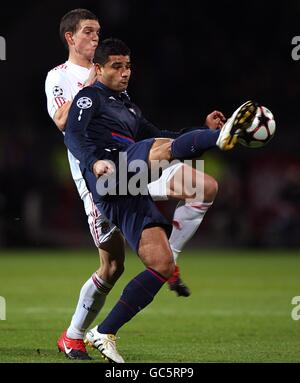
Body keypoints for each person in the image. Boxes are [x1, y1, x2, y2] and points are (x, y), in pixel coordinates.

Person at [64, 37, 257, 363]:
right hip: (110, 175)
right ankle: (221, 139)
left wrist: (200, 129)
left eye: (128, 66)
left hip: (132, 185)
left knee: (163, 262)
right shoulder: (90, 97)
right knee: (159, 150)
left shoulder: (127, 106)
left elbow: (163, 137)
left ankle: (104, 332)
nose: (125, 73)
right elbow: (73, 134)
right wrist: (94, 161)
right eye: (116, 66)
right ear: (98, 68)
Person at [45, 8, 219, 360]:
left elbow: (157, 137)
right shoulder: (60, 78)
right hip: (97, 179)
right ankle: (74, 335)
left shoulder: (124, 99)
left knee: (203, 186)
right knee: (112, 267)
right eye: (88, 32)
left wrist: (202, 133)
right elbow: (66, 126)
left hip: (130, 169)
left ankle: (172, 257)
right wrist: (90, 89)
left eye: (98, 33)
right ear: (71, 38)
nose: (95, 38)